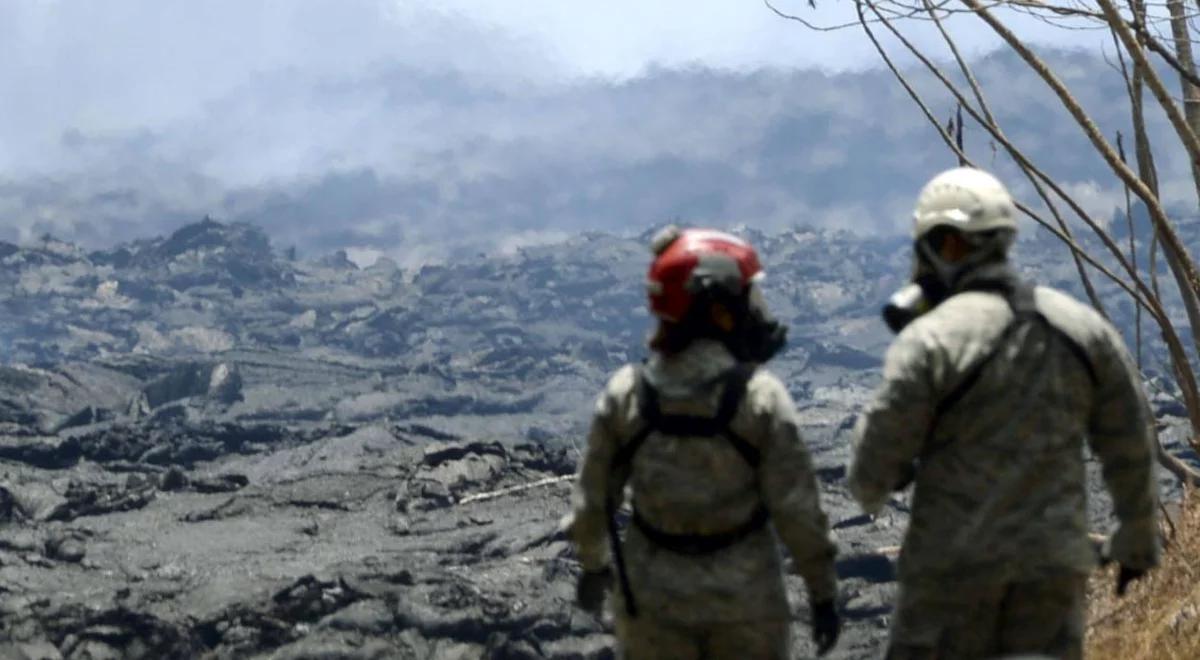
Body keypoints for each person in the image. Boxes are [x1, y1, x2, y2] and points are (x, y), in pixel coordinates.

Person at [849, 167, 1161, 660]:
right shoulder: (1080, 327)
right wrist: (1138, 542)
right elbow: (1132, 442)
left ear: (942, 245)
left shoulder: (930, 342)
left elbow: (869, 476)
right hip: (1052, 575)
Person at [566, 226, 840, 659]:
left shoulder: (626, 396)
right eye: (747, 298)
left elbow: (592, 501)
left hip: (652, 603)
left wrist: (593, 566)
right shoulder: (760, 399)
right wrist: (822, 593)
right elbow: (799, 511)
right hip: (746, 602)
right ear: (718, 309)